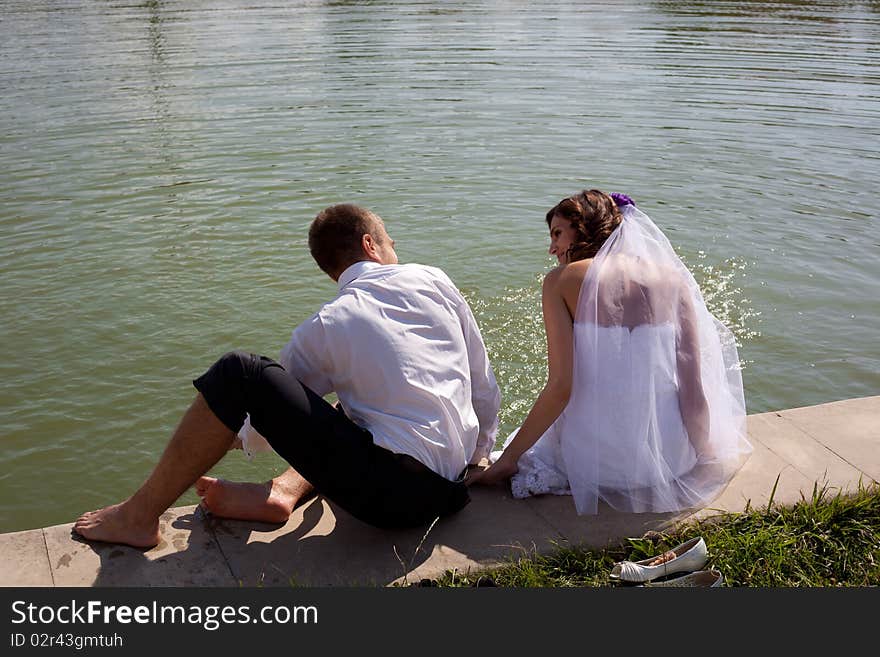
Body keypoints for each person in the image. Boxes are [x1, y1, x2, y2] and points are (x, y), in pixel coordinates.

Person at [74, 203, 500, 548]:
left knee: (238, 372)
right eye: (391, 240)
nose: (394, 247)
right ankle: (284, 490)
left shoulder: (327, 325)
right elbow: (481, 379)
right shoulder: (434, 280)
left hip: (395, 504)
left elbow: (262, 431)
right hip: (455, 490)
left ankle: (138, 517)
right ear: (371, 244)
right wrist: (480, 454)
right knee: (355, 406)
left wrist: (238, 434)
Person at [468, 190, 752, 514]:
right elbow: (692, 387)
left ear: (582, 227)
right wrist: (703, 456)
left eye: (557, 234)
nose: (552, 249)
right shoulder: (673, 279)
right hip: (669, 458)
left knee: (538, 443)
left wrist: (507, 462)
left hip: (594, 460)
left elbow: (561, 387)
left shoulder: (561, 281)